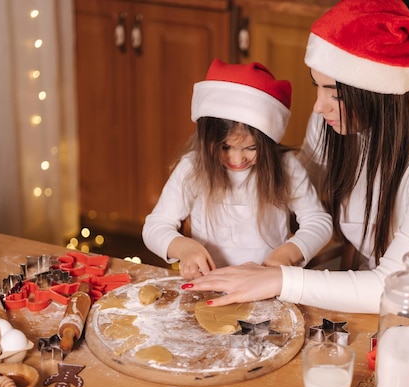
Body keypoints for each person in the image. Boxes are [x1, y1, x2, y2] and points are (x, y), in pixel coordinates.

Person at [183, 0, 409, 341]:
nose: (318, 106)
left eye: (333, 93)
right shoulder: (333, 123)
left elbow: (391, 283)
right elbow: (293, 196)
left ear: (375, 92)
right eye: (316, 85)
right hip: (374, 283)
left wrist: (278, 279)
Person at [142, 59, 333, 279]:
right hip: (210, 284)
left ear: (269, 142)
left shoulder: (286, 167)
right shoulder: (193, 167)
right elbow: (155, 227)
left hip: (267, 284)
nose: (237, 158)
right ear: (206, 141)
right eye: (225, 147)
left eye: (251, 148)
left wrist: (288, 254)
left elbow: (319, 222)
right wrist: (184, 248)